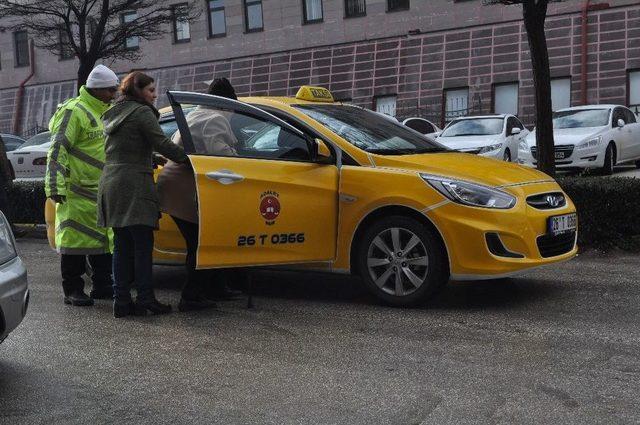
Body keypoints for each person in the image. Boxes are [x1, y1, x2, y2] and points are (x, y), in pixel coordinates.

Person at [98, 71, 187, 318]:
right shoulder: (141, 112)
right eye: (150, 90)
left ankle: (122, 301)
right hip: (134, 185)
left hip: (112, 183)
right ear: (138, 91)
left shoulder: (114, 113)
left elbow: (125, 147)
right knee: (142, 246)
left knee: (122, 246)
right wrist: (188, 159)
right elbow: (162, 141)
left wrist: (150, 158)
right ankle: (146, 299)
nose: (154, 94)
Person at [156, 77, 242, 312]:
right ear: (226, 101)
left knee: (205, 239)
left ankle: (214, 287)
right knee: (202, 243)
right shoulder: (215, 118)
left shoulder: (197, 113)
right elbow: (220, 155)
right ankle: (191, 296)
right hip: (184, 190)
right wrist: (246, 164)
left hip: (176, 186)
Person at [44, 65, 119, 307]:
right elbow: (57, 150)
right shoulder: (74, 111)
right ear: (97, 89)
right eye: (110, 90)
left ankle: (102, 286)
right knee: (74, 242)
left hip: (100, 190)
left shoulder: (104, 111)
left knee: (102, 241)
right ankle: (73, 290)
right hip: (76, 192)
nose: (113, 94)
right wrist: (55, 186)